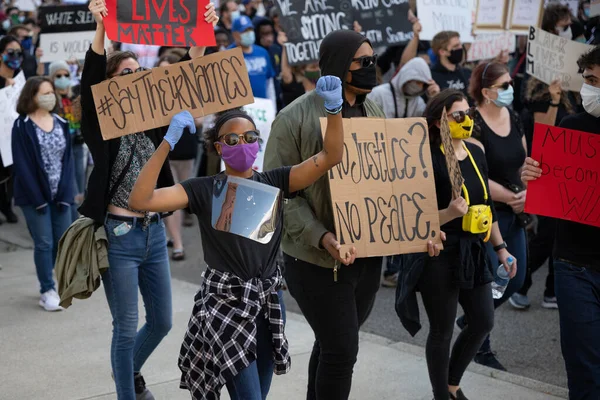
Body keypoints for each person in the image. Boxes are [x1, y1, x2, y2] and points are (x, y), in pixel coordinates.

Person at [129, 76, 350, 399]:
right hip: (225, 306)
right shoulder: (202, 189)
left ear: (258, 143)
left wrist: (334, 110)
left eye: (249, 137)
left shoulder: (276, 181)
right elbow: (141, 200)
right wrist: (167, 142)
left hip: (267, 304)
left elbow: (330, 156)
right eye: (231, 140)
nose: (241, 144)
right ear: (218, 147)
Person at [264, 29, 443, 400]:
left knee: (332, 345)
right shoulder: (293, 118)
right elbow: (278, 194)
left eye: (373, 60)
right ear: (337, 66)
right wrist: (322, 236)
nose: (372, 68)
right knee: (343, 349)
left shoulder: (373, 108)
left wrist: (421, 225)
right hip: (315, 261)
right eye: (363, 62)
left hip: (365, 257)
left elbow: (392, 182)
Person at [80, 1, 218, 399]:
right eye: (125, 74)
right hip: (119, 234)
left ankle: (127, 370)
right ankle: (128, 391)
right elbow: (91, 79)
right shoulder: (100, 124)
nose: (136, 78)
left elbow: (185, 78)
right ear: (109, 85)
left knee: (161, 322)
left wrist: (202, 33)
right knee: (125, 327)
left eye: (138, 72)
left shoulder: (154, 119)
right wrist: (102, 28)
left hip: (153, 233)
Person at [409, 89, 516, 400]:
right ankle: (441, 394)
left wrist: (501, 248)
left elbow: (486, 205)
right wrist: (446, 213)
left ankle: (452, 384)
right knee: (441, 330)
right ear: (439, 120)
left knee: (483, 320)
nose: (466, 119)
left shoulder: (475, 152)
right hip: (439, 251)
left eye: (468, 113)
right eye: (458, 115)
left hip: (473, 248)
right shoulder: (426, 157)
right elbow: (412, 214)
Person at [521, 45, 600, 400]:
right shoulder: (571, 127)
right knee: (584, 367)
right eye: (590, 80)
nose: (593, 89)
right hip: (575, 266)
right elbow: (549, 190)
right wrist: (531, 174)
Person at [455, 61, 528, 371]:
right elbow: (474, 173)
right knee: (488, 281)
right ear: (486, 92)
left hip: (515, 212)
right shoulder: (473, 122)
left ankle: (472, 319)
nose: (511, 89)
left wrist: (526, 192)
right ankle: (481, 347)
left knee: (515, 279)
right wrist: (510, 196)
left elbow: (524, 161)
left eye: (510, 83)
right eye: (505, 86)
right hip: (485, 215)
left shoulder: (512, 116)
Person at [11, 76, 76, 311]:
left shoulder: (61, 122)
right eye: (44, 93)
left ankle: (57, 282)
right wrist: (38, 200)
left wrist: (67, 194)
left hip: (60, 195)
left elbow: (68, 162)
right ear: (32, 96)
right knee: (44, 243)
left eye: (52, 92)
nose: (50, 96)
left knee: (62, 242)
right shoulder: (22, 126)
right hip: (34, 197)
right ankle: (47, 289)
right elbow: (23, 165)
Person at [155, 53, 199, 260]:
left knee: (181, 196)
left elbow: (201, 120)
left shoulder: (189, 91)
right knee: (170, 197)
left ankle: (173, 236)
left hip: (186, 150)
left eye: (168, 70)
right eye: (160, 70)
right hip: (165, 150)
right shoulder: (152, 94)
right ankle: (178, 242)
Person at [49, 60, 85, 221]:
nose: (63, 78)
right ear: (52, 78)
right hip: (61, 146)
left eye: (66, 75)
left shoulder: (75, 94)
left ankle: (79, 214)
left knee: (80, 177)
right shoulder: (50, 99)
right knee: (70, 182)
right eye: (58, 75)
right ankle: (73, 218)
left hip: (77, 142)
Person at [229, 15, 277, 107]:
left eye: (250, 29)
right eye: (244, 31)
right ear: (235, 34)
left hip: (263, 107)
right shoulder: (227, 55)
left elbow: (269, 84)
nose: (249, 33)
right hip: (241, 109)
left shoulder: (262, 52)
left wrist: (272, 107)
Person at [0, 35, 23, 224]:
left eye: (18, 52)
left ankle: (6, 206)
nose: (15, 55)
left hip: (11, 134)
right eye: (11, 52)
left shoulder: (19, 75)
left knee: (9, 173)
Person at [277, 31, 320, 107]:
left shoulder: (324, 87)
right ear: (302, 70)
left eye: (318, 67)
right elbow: (286, 74)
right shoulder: (295, 88)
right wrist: (285, 46)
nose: (317, 69)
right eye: (313, 67)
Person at [430, 31, 471, 98]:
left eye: (460, 44)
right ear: (442, 52)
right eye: (456, 46)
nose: (460, 48)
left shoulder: (467, 73)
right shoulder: (432, 77)